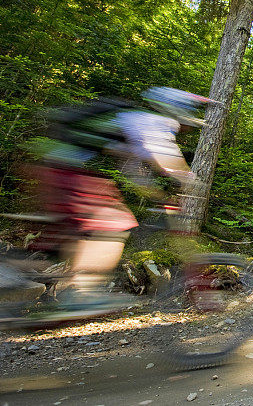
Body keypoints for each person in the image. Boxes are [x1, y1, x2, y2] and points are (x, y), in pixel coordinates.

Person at [28, 87, 211, 315]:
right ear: (178, 112)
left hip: (52, 168)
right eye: (188, 120)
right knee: (114, 223)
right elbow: (167, 160)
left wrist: (160, 197)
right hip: (65, 170)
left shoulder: (128, 123)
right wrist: (192, 181)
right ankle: (80, 295)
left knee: (82, 232)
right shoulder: (154, 122)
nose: (186, 128)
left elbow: (134, 172)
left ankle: (54, 288)